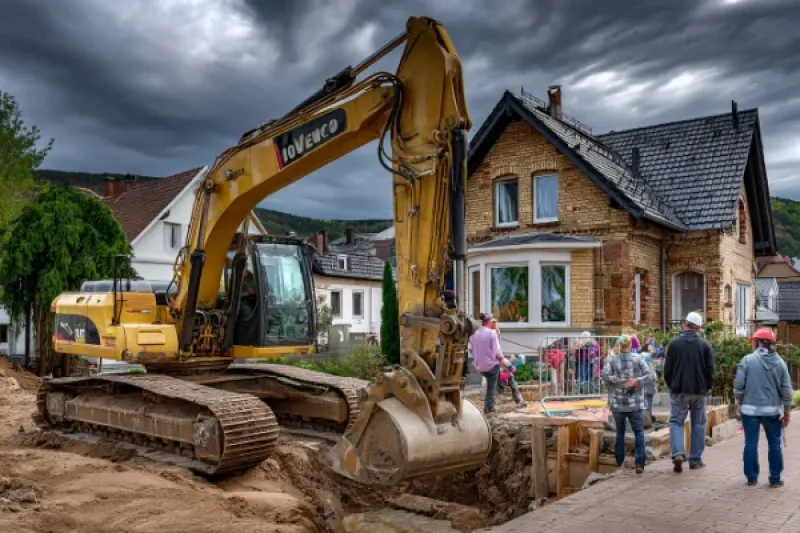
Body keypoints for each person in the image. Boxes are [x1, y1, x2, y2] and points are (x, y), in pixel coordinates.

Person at [733, 327, 793, 487]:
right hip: (772, 411)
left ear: (758, 343)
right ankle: (775, 479)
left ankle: (751, 477)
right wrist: (787, 410)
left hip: (749, 410)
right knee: (774, 443)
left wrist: (738, 400)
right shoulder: (780, 363)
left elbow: (739, 384)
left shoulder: (747, 360)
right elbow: (787, 390)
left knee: (750, 442)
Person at [663, 311, 714, 473]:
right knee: (698, 424)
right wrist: (706, 387)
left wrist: (672, 385)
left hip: (679, 390)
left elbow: (667, 369)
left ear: (685, 323)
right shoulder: (704, 345)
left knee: (676, 421)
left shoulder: (674, 344)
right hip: (698, 391)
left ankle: (678, 453)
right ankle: (695, 459)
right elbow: (710, 370)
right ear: (698, 328)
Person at [602, 334, 654, 474]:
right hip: (635, 403)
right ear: (630, 345)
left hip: (617, 403)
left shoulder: (612, 361)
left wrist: (615, 380)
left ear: (619, 345)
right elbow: (650, 375)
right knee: (639, 431)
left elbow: (605, 376)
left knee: (620, 431)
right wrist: (637, 381)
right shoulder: (638, 359)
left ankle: (619, 460)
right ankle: (639, 463)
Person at [469, 312, 505, 413]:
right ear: (489, 321)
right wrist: (501, 359)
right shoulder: (492, 333)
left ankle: (488, 406)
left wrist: (478, 358)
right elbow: (497, 350)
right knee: (491, 387)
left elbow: (471, 349)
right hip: (491, 365)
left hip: (480, 366)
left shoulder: (474, 334)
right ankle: (489, 407)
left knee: (490, 385)